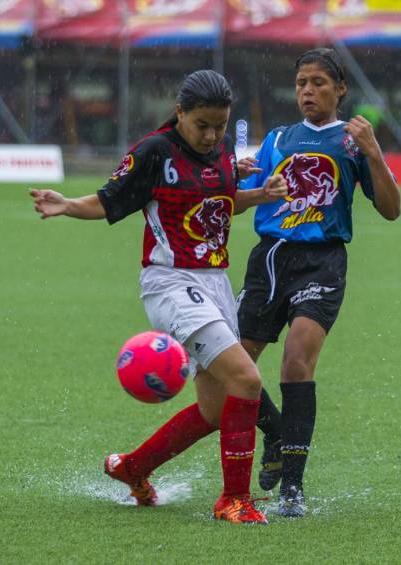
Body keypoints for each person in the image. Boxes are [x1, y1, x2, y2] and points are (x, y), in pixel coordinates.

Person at [30, 70, 287, 524]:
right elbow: (110, 200)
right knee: (246, 381)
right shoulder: (154, 152)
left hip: (214, 282)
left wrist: (258, 194)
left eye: (220, 126)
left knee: (212, 410)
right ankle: (233, 500)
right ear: (180, 112)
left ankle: (132, 468)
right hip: (170, 283)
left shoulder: (222, 150)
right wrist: (68, 204)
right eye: (202, 125)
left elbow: (222, 199)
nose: (211, 136)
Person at [235, 48, 401, 517]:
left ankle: (292, 488)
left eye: (318, 83)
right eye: (301, 83)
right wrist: (239, 185)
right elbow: (243, 199)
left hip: (322, 262)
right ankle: (275, 431)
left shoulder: (352, 143)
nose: (308, 91)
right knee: (233, 366)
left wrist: (373, 150)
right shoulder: (278, 139)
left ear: (340, 89)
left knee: (296, 361)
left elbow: (391, 209)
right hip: (268, 259)